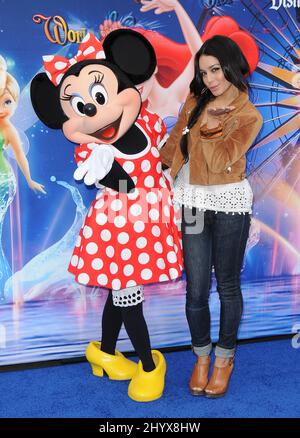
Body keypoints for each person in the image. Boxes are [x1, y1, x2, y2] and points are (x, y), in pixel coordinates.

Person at [30, 29, 183, 402]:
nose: (96, 111)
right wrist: (108, 168)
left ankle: (105, 354)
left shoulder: (146, 123)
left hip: (151, 223)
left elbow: (163, 159)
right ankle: (149, 365)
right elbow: (127, 187)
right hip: (121, 232)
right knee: (128, 297)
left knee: (121, 295)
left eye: (99, 97)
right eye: (81, 107)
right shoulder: (94, 153)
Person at [159, 35, 263, 398]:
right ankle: (201, 355)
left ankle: (223, 359)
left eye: (216, 70)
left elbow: (221, 161)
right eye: (203, 72)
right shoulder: (194, 100)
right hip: (192, 204)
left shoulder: (248, 115)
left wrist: (214, 124)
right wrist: (158, 167)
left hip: (229, 205)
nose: (210, 79)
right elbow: (175, 142)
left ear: (231, 66)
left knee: (228, 286)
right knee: (197, 289)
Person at [0, 56, 45, 298]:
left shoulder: (7, 128)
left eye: (8, 101)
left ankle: (3, 291)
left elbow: (20, 154)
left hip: (3, 183)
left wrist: (29, 180)